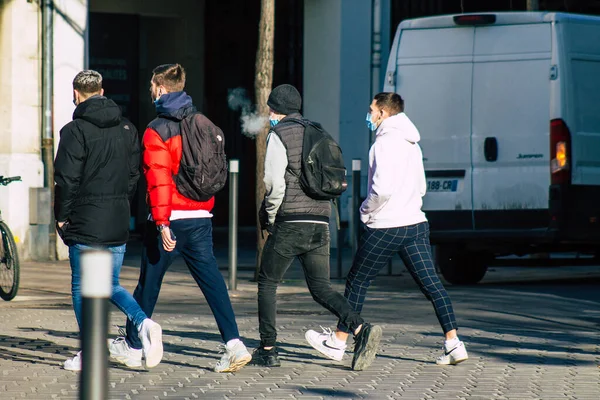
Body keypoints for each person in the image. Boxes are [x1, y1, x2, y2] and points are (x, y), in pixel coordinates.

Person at [306, 92, 469, 366]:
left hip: (385, 225)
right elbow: (422, 187)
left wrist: (365, 210)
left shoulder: (383, 144)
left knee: (357, 281)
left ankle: (338, 342)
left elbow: (381, 190)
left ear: (382, 112)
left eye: (371, 110)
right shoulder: (412, 142)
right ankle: (454, 343)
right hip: (415, 224)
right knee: (432, 286)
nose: (369, 115)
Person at [107, 64, 251, 373]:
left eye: (151, 85)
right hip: (201, 216)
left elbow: (158, 179)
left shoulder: (156, 129)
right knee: (213, 283)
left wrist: (161, 223)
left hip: (170, 218)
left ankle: (134, 346)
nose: (149, 89)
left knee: (148, 285)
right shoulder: (204, 122)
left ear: (159, 88)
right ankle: (234, 344)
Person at [254, 84, 382, 371]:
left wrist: (272, 217)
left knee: (267, 282)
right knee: (321, 287)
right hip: (321, 220)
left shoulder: (279, 134)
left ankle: (268, 349)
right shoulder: (319, 131)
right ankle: (360, 329)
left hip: (290, 220)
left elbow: (274, 184)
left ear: (275, 109)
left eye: (271, 109)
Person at [54, 70, 163, 371]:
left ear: (76, 93)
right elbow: (133, 176)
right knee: (109, 284)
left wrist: (62, 217)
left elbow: (66, 180)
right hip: (116, 221)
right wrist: (120, 205)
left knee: (81, 287)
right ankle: (143, 323)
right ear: (102, 91)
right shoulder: (127, 128)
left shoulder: (74, 131)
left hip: (85, 222)